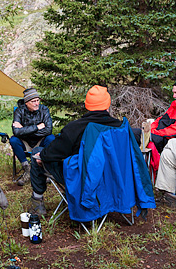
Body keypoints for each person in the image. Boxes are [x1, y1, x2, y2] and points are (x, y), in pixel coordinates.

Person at [28, 85, 122, 216]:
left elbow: (58, 150)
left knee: (37, 152)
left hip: (81, 176)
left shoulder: (75, 127)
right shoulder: (120, 128)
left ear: (87, 105)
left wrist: (43, 156)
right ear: (107, 105)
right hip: (111, 175)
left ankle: (37, 202)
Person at [10, 87, 55, 186]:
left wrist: (24, 129)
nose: (36, 103)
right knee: (13, 140)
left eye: (38, 100)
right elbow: (16, 132)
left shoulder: (44, 110)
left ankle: (46, 168)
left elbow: (48, 130)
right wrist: (37, 127)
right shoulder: (19, 111)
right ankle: (27, 169)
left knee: (51, 138)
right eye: (33, 101)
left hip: (40, 141)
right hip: (25, 142)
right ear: (26, 102)